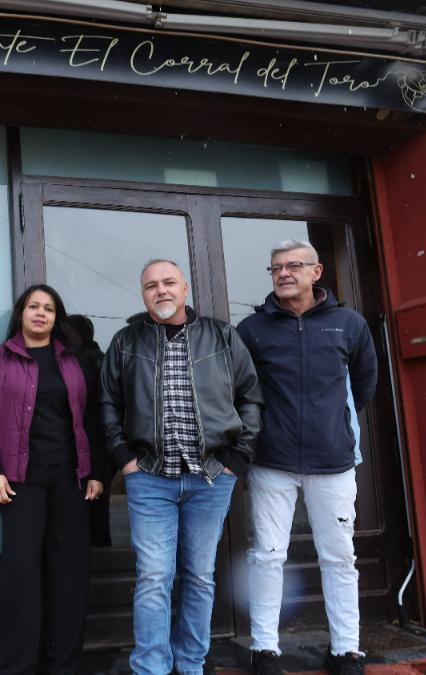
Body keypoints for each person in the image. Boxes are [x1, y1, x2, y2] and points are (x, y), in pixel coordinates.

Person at [101, 260, 263, 675]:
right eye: (151, 285)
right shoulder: (125, 342)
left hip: (211, 476)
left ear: (185, 288)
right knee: (154, 576)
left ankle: (191, 664)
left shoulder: (222, 336)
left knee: (199, 576)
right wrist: (126, 460)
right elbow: (107, 405)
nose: (161, 291)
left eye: (168, 282)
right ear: (143, 294)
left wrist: (237, 460)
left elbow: (250, 397)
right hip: (150, 477)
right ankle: (151, 667)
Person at [236, 240, 378, 675]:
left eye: (294, 266)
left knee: (339, 557)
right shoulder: (252, 329)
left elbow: (363, 385)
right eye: (276, 267)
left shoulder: (348, 324)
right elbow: (239, 390)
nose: (283, 273)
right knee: (267, 555)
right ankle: (264, 650)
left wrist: (332, 427)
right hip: (271, 462)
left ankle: (346, 650)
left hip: (333, 464)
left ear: (317, 272)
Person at [0, 284, 107, 675]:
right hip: (20, 479)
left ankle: (62, 663)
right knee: (21, 570)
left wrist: (97, 472)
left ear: (56, 317)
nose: (40, 313)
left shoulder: (75, 360)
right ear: (21, 313)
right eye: (34, 306)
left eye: (48, 308)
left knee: (69, 570)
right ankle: (12, 665)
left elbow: (93, 418)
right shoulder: (0, 358)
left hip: (71, 477)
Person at [66, 314, 112, 547]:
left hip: (87, 445)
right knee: (99, 512)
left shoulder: (77, 362)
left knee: (79, 515)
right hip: (105, 445)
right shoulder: (103, 359)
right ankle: (103, 555)